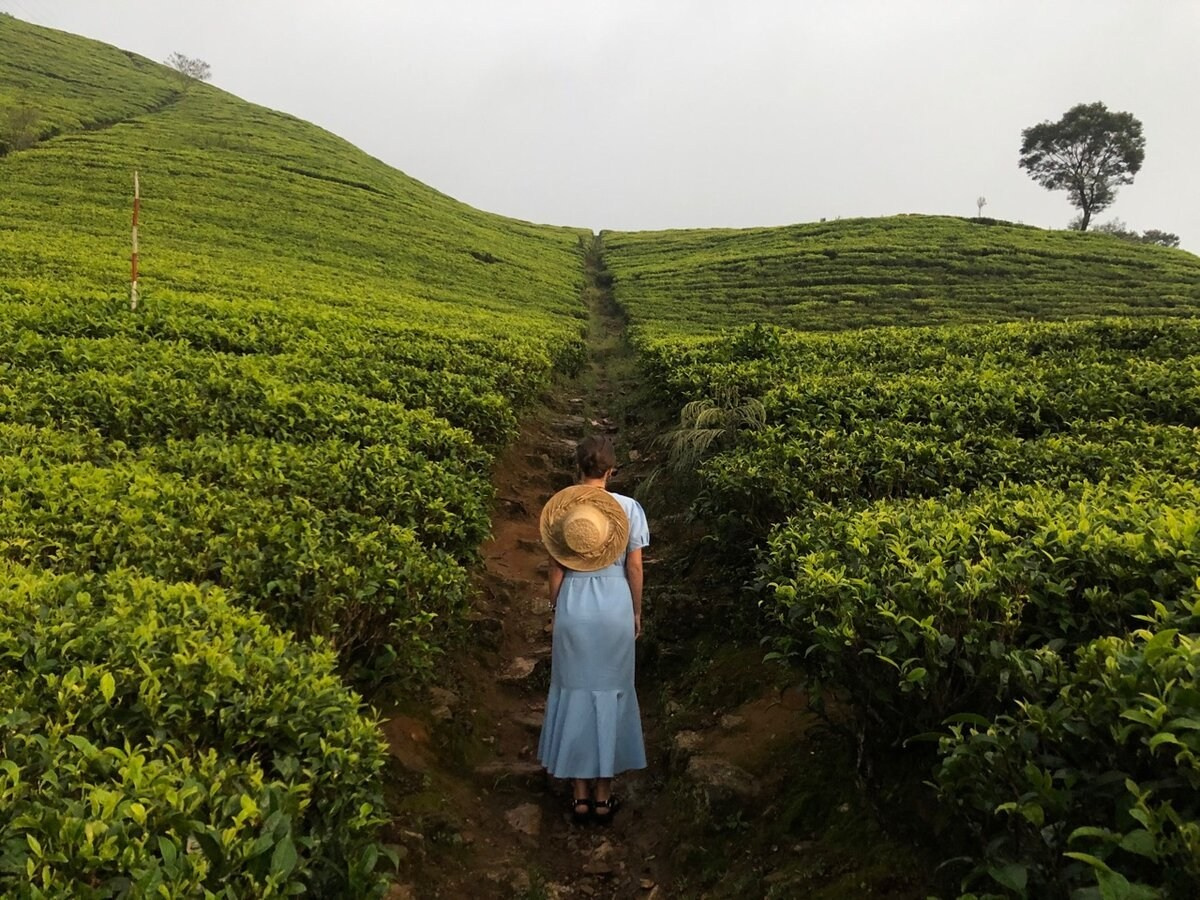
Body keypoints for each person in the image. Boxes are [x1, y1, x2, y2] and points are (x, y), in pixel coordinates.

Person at [537, 434, 648, 825]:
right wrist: (635, 611)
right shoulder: (630, 508)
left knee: (574, 691)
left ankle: (579, 795)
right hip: (615, 604)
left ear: (578, 467)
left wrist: (556, 609)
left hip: (574, 604)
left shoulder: (563, 509)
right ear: (611, 470)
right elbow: (634, 567)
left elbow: (556, 569)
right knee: (611, 692)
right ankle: (604, 796)